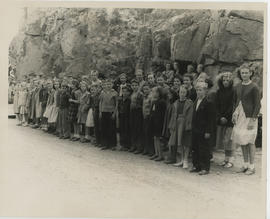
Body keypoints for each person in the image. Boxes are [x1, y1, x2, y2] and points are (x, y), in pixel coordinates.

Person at [231, 64, 261, 175]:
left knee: (250, 141)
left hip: (249, 117)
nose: (244, 74)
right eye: (242, 73)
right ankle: (245, 165)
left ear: (250, 73)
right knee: (242, 141)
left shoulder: (254, 87)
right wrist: (234, 114)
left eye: (246, 72)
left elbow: (257, 105)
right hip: (240, 117)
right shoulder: (237, 86)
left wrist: (253, 119)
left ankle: (252, 167)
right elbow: (235, 101)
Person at [190, 82, 215, 175]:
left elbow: (210, 119)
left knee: (204, 149)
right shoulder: (196, 101)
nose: (198, 92)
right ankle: (197, 166)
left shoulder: (209, 103)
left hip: (204, 130)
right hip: (195, 129)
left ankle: (205, 168)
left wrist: (208, 131)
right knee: (195, 148)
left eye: (200, 90)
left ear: (205, 91)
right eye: (197, 90)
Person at [167, 86, 193, 168]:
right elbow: (173, 115)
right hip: (177, 123)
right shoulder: (175, 103)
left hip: (185, 124)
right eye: (180, 92)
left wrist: (188, 125)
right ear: (178, 93)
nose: (182, 94)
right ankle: (181, 160)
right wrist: (171, 126)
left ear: (186, 94)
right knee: (179, 143)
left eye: (184, 92)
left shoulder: (189, 103)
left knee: (186, 143)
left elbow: (190, 115)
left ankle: (185, 160)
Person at [216, 72, 235, 168]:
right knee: (224, 140)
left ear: (231, 81)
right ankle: (226, 159)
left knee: (229, 140)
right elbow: (217, 105)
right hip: (221, 119)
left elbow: (232, 106)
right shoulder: (219, 91)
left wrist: (226, 117)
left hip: (229, 119)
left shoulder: (233, 91)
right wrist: (220, 117)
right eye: (224, 80)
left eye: (227, 80)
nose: (225, 82)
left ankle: (231, 160)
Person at [99, 79, 118, 150]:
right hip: (104, 112)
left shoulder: (115, 93)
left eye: (110, 84)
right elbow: (100, 102)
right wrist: (100, 112)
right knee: (104, 128)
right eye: (107, 84)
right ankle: (105, 144)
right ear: (105, 85)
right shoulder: (102, 93)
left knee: (112, 129)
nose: (108, 86)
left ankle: (112, 145)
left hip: (111, 112)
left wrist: (114, 113)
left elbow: (116, 104)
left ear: (112, 85)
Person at [149, 86, 167, 161]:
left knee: (159, 138)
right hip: (154, 122)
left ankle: (161, 155)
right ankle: (156, 153)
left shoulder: (162, 102)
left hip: (159, 123)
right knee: (155, 138)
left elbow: (162, 115)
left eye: (155, 92)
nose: (153, 93)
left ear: (159, 93)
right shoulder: (154, 101)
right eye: (153, 92)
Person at [129, 79, 144, 153]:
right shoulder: (132, 93)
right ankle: (134, 145)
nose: (134, 87)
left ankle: (139, 147)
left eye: (136, 85)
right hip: (132, 112)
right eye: (133, 85)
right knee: (133, 128)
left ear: (138, 86)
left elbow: (141, 104)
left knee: (138, 129)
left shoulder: (140, 94)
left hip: (138, 112)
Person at [117, 85, 131, 151]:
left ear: (129, 93)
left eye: (126, 91)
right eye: (123, 91)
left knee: (127, 130)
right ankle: (122, 144)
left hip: (127, 117)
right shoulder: (120, 100)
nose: (124, 93)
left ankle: (127, 145)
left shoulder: (129, 100)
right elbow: (119, 108)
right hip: (121, 116)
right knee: (121, 130)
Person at [142, 82, 154, 156]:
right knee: (145, 133)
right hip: (144, 116)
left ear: (150, 89)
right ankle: (146, 148)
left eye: (147, 89)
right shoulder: (144, 96)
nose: (145, 90)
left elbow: (152, 107)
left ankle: (151, 150)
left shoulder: (151, 97)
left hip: (149, 116)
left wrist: (149, 115)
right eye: (144, 89)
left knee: (149, 133)